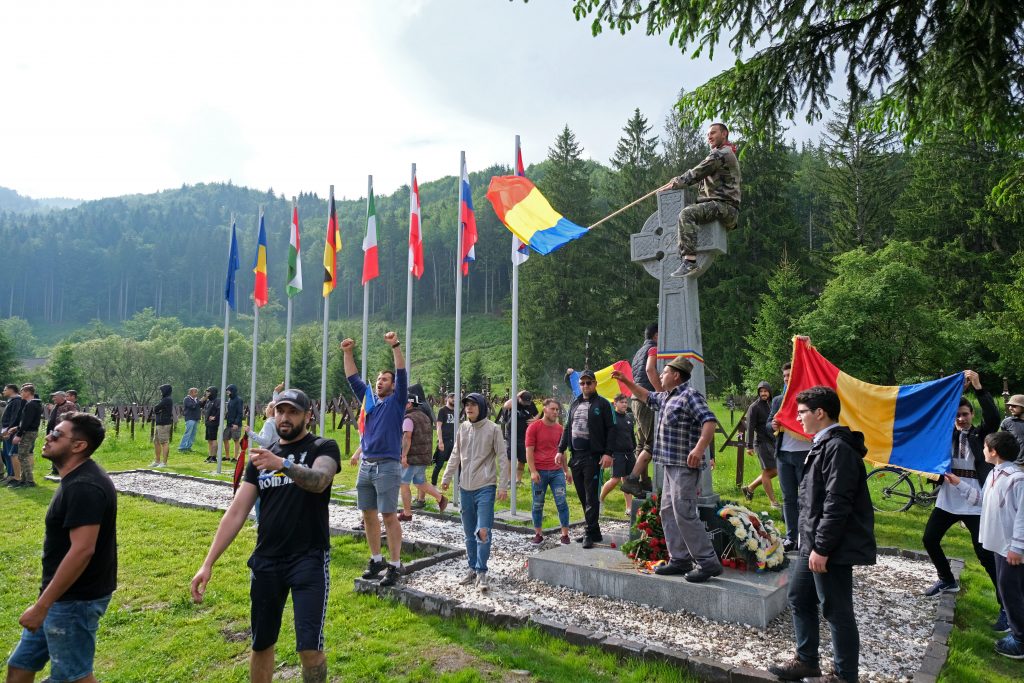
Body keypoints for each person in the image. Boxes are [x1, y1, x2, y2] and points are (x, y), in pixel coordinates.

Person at [190, 389, 339, 683]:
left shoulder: (323, 447)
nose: (285, 417)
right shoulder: (260, 459)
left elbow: (320, 481)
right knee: (261, 643)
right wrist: (207, 563)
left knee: (309, 649)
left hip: (308, 558)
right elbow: (236, 512)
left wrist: (283, 464)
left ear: (308, 416)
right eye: (280, 411)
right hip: (267, 561)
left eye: (293, 412)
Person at [768, 386, 876, 683]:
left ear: (820, 413)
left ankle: (845, 676)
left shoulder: (838, 448)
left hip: (830, 547)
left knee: (836, 610)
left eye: (802, 412)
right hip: (812, 542)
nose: (797, 417)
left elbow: (837, 502)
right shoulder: (822, 443)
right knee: (799, 596)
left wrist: (823, 548)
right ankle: (807, 661)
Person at [5, 412, 116, 683]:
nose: (48, 437)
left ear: (79, 446)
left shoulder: (84, 486)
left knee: (72, 677)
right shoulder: (75, 478)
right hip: (59, 595)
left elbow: (82, 550)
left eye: (57, 434)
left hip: (75, 600)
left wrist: (43, 606)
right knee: (20, 665)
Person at [612, 356, 722, 582]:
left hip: (685, 466)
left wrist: (700, 449)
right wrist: (627, 381)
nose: (660, 375)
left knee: (684, 513)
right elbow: (645, 396)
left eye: (665, 372)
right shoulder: (666, 398)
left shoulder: (689, 396)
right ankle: (679, 559)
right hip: (669, 465)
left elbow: (709, 421)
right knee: (668, 512)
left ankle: (708, 562)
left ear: (676, 375)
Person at [921, 370, 1001, 600]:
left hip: (975, 501)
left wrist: (977, 386)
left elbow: (994, 418)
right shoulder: (946, 435)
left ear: (972, 414)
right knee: (929, 539)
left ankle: (1005, 604)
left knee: (984, 554)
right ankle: (947, 579)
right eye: (956, 415)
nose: (961, 419)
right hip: (948, 499)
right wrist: (957, 391)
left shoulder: (981, 435)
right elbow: (935, 416)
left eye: (965, 414)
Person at [342, 331, 407, 588]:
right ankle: (376, 559)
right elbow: (352, 379)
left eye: (385, 380)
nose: (380, 382)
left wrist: (395, 347)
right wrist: (348, 353)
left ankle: (394, 565)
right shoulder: (369, 401)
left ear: (392, 385)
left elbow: (401, 373)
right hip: (367, 465)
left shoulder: (397, 401)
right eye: (378, 379)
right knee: (368, 514)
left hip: (387, 466)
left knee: (389, 515)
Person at [441, 392, 509, 592]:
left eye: (473, 405)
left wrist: (503, 485)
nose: (469, 408)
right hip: (465, 487)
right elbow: (455, 454)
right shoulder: (463, 428)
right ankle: (471, 568)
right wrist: (447, 477)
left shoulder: (493, 429)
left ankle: (482, 572)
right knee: (469, 533)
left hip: (485, 486)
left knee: (483, 531)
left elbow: (503, 458)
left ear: (481, 406)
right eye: (466, 405)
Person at [662, 122, 741, 278]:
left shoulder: (722, 154)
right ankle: (687, 256)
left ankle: (690, 262)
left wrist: (676, 182)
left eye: (713, 133)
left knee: (687, 214)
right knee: (691, 213)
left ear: (724, 134)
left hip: (725, 207)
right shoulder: (721, 153)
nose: (709, 137)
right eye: (707, 134)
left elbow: (697, 173)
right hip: (720, 206)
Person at [977, 432, 1024, 658]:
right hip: (999, 545)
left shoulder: (1017, 478)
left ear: (993, 451)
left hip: (1011, 549)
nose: (983, 451)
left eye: (985, 447)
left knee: (1010, 590)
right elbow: (980, 499)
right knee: (1008, 589)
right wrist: (958, 484)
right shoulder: (994, 473)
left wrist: (1018, 547)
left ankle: (1020, 640)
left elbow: (1023, 516)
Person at [559, 369, 614, 549]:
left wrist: (608, 453)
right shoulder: (574, 404)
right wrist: (560, 450)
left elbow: (612, 430)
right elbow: (567, 428)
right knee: (583, 496)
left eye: (588, 382)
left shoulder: (603, 404)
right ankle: (595, 530)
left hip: (593, 457)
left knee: (591, 496)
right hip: (576, 456)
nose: (585, 386)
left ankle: (589, 532)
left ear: (595, 384)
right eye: (582, 383)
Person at [767, 362, 812, 551]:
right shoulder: (778, 400)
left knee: (807, 498)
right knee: (788, 498)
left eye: (790, 376)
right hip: (784, 455)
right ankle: (791, 537)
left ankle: (807, 537)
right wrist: (773, 426)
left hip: (805, 454)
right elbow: (768, 423)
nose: (786, 379)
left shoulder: (810, 398)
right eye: (784, 376)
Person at [527, 398, 573, 545]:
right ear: (544, 409)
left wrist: (566, 470)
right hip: (539, 472)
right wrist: (533, 471)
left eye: (557, 410)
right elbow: (529, 451)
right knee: (538, 504)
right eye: (552, 409)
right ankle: (538, 534)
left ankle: (565, 535)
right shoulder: (534, 427)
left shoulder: (560, 429)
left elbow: (563, 451)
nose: (555, 412)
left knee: (562, 502)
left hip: (556, 472)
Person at [398, 395, 448, 520]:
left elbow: (407, 437)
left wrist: (404, 455)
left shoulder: (408, 418)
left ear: (409, 404)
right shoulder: (425, 417)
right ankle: (440, 498)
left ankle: (407, 513)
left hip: (411, 457)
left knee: (403, 483)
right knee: (420, 482)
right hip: (423, 456)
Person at [741, 381, 778, 507]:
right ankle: (773, 502)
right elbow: (750, 427)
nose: (763, 393)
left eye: (765, 391)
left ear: (769, 392)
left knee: (775, 470)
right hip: (761, 443)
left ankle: (749, 488)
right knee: (770, 470)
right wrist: (749, 446)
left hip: (772, 441)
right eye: (761, 391)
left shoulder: (772, 404)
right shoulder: (754, 407)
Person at [600, 394, 637, 514]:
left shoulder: (629, 418)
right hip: (616, 453)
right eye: (622, 402)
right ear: (615, 404)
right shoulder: (611, 418)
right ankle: (600, 499)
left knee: (628, 481)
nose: (625, 404)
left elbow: (631, 436)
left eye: (626, 402)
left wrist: (634, 449)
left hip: (629, 453)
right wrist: (607, 453)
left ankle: (629, 508)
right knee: (615, 480)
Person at [421, 393, 456, 504]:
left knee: (456, 464)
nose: (454, 400)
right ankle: (434, 484)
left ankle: (457, 486)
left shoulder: (456, 411)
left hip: (453, 441)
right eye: (452, 397)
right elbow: (439, 426)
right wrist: (440, 441)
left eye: (455, 398)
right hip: (444, 441)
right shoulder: (442, 410)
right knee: (439, 464)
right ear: (447, 399)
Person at [499, 390, 539, 486]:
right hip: (511, 435)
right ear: (519, 398)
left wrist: (535, 419)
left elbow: (537, 413)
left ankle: (518, 480)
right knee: (510, 458)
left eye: (528, 402)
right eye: (524, 401)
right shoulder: (514, 403)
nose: (526, 404)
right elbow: (505, 405)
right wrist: (517, 395)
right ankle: (509, 480)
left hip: (525, 435)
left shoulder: (530, 404)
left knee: (522, 459)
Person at [10, 384, 43, 488]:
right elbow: (27, 421)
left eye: (22, 391)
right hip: (30, 431)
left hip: (28, 432)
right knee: (23, 455)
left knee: (22, 456)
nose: (21, 394)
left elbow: (27, 421)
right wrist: (16, 428)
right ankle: (24, 480)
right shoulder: (34, 404)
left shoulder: (31, 405)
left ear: (28, 392)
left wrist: (18, 434)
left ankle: (29, 481)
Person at [2, 383, 24, 483]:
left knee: (11, 453)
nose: (3, 391)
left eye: (5, 389)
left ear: (11, 390)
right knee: (6, 453)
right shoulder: (11, 401)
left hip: (10, 431)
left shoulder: (17, 401)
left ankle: (13, 475)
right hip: (6, 429)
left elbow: (15, 417)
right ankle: (9, 473)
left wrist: (9, 429)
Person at [150, 383, 173, 468]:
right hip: (159, 422)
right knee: (156, 441)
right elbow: (157, 409)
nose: (160, 392)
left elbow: (156, 408)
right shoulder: (164, 399)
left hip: (164, 423)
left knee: (164, 442)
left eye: (161, 390)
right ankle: (157, 461)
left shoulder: (167, 399)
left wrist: (157, 409)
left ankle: (164, 462)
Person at [1000, 393, 1024, 465]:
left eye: (1014, 406)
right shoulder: (1007, 422)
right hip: (1016, 464)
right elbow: (1004, 444)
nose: (1010, 408)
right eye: (1009, 405)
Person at [224, 384, 243, 462]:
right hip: (229, 423)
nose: (227, 393)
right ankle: (227, 456)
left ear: (232, 391)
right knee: (225, 438)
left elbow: (240, 413)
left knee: (236, 440)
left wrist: (236, 423)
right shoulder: (229, 400)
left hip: (236, 424)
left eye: (228, 391)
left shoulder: (239, 400)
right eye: (227, 391)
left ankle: (235, 458)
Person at [178, 387, 201, 453]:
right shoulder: (187, 399)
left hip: (195, 418)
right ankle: (182, 447)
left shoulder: (197, 399)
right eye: (195, 392)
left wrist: (201, 401)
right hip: (190, 418)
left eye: (197, 392)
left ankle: (188, 447)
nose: (197, 393)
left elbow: (200, 405)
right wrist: (199, 402)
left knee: (193, 434)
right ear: (190, 393)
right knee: (188, 433)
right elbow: (192, 406)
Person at [202, 386, 220, 463]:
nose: (207, 393)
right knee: (209, 440)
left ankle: (214, 457)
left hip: (214, 423)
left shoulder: (217, 401)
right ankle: (210, 455)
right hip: (208, 423)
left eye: (209, 392)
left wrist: (215, 417)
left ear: (213, 392)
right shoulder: (208, 401)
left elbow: (220, 410)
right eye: (207, 391)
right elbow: (200, 405)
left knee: (213, 439)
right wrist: (204, 397)